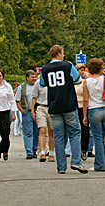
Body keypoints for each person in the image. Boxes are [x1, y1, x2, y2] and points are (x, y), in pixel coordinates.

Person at [40, 45, 88, 174]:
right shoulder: (68, 66)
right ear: (60, 54)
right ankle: (76, 161)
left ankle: (61, 166)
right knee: (74, 132)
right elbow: (77, 80)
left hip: (54, 105)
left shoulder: (45, 69)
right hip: (68, 103)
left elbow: (42, 84)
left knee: (58, 135)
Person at [15, 70, 39, 160]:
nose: (34, 79)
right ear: (27, 78)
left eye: (35, 77)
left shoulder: (38, 86)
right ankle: (29, 151)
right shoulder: (22, 87)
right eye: (32, 77)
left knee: (36, 132)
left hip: (37, 111)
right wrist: (22, 111)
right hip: (27, 112)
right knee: (28, 132)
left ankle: (34, 150)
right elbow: (17, 100)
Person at [31, 78, 55, 163]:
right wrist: (32, 111)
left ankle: (51, 153)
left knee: (51, 131)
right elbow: (34, 97)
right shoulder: (38, 82)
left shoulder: (54, 81)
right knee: (42, 130)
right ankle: (42, 152)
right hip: (41, 107)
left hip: (52, 108)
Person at [75, 63, 90, 162]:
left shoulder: (86, 82)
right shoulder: (71, 82)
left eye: (83, 70)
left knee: (85, 130)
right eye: (80, 69)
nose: (82, 71)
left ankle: (84, 149)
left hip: (84, 108)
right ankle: (76, 150)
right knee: (75, 130)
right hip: (74, 108)